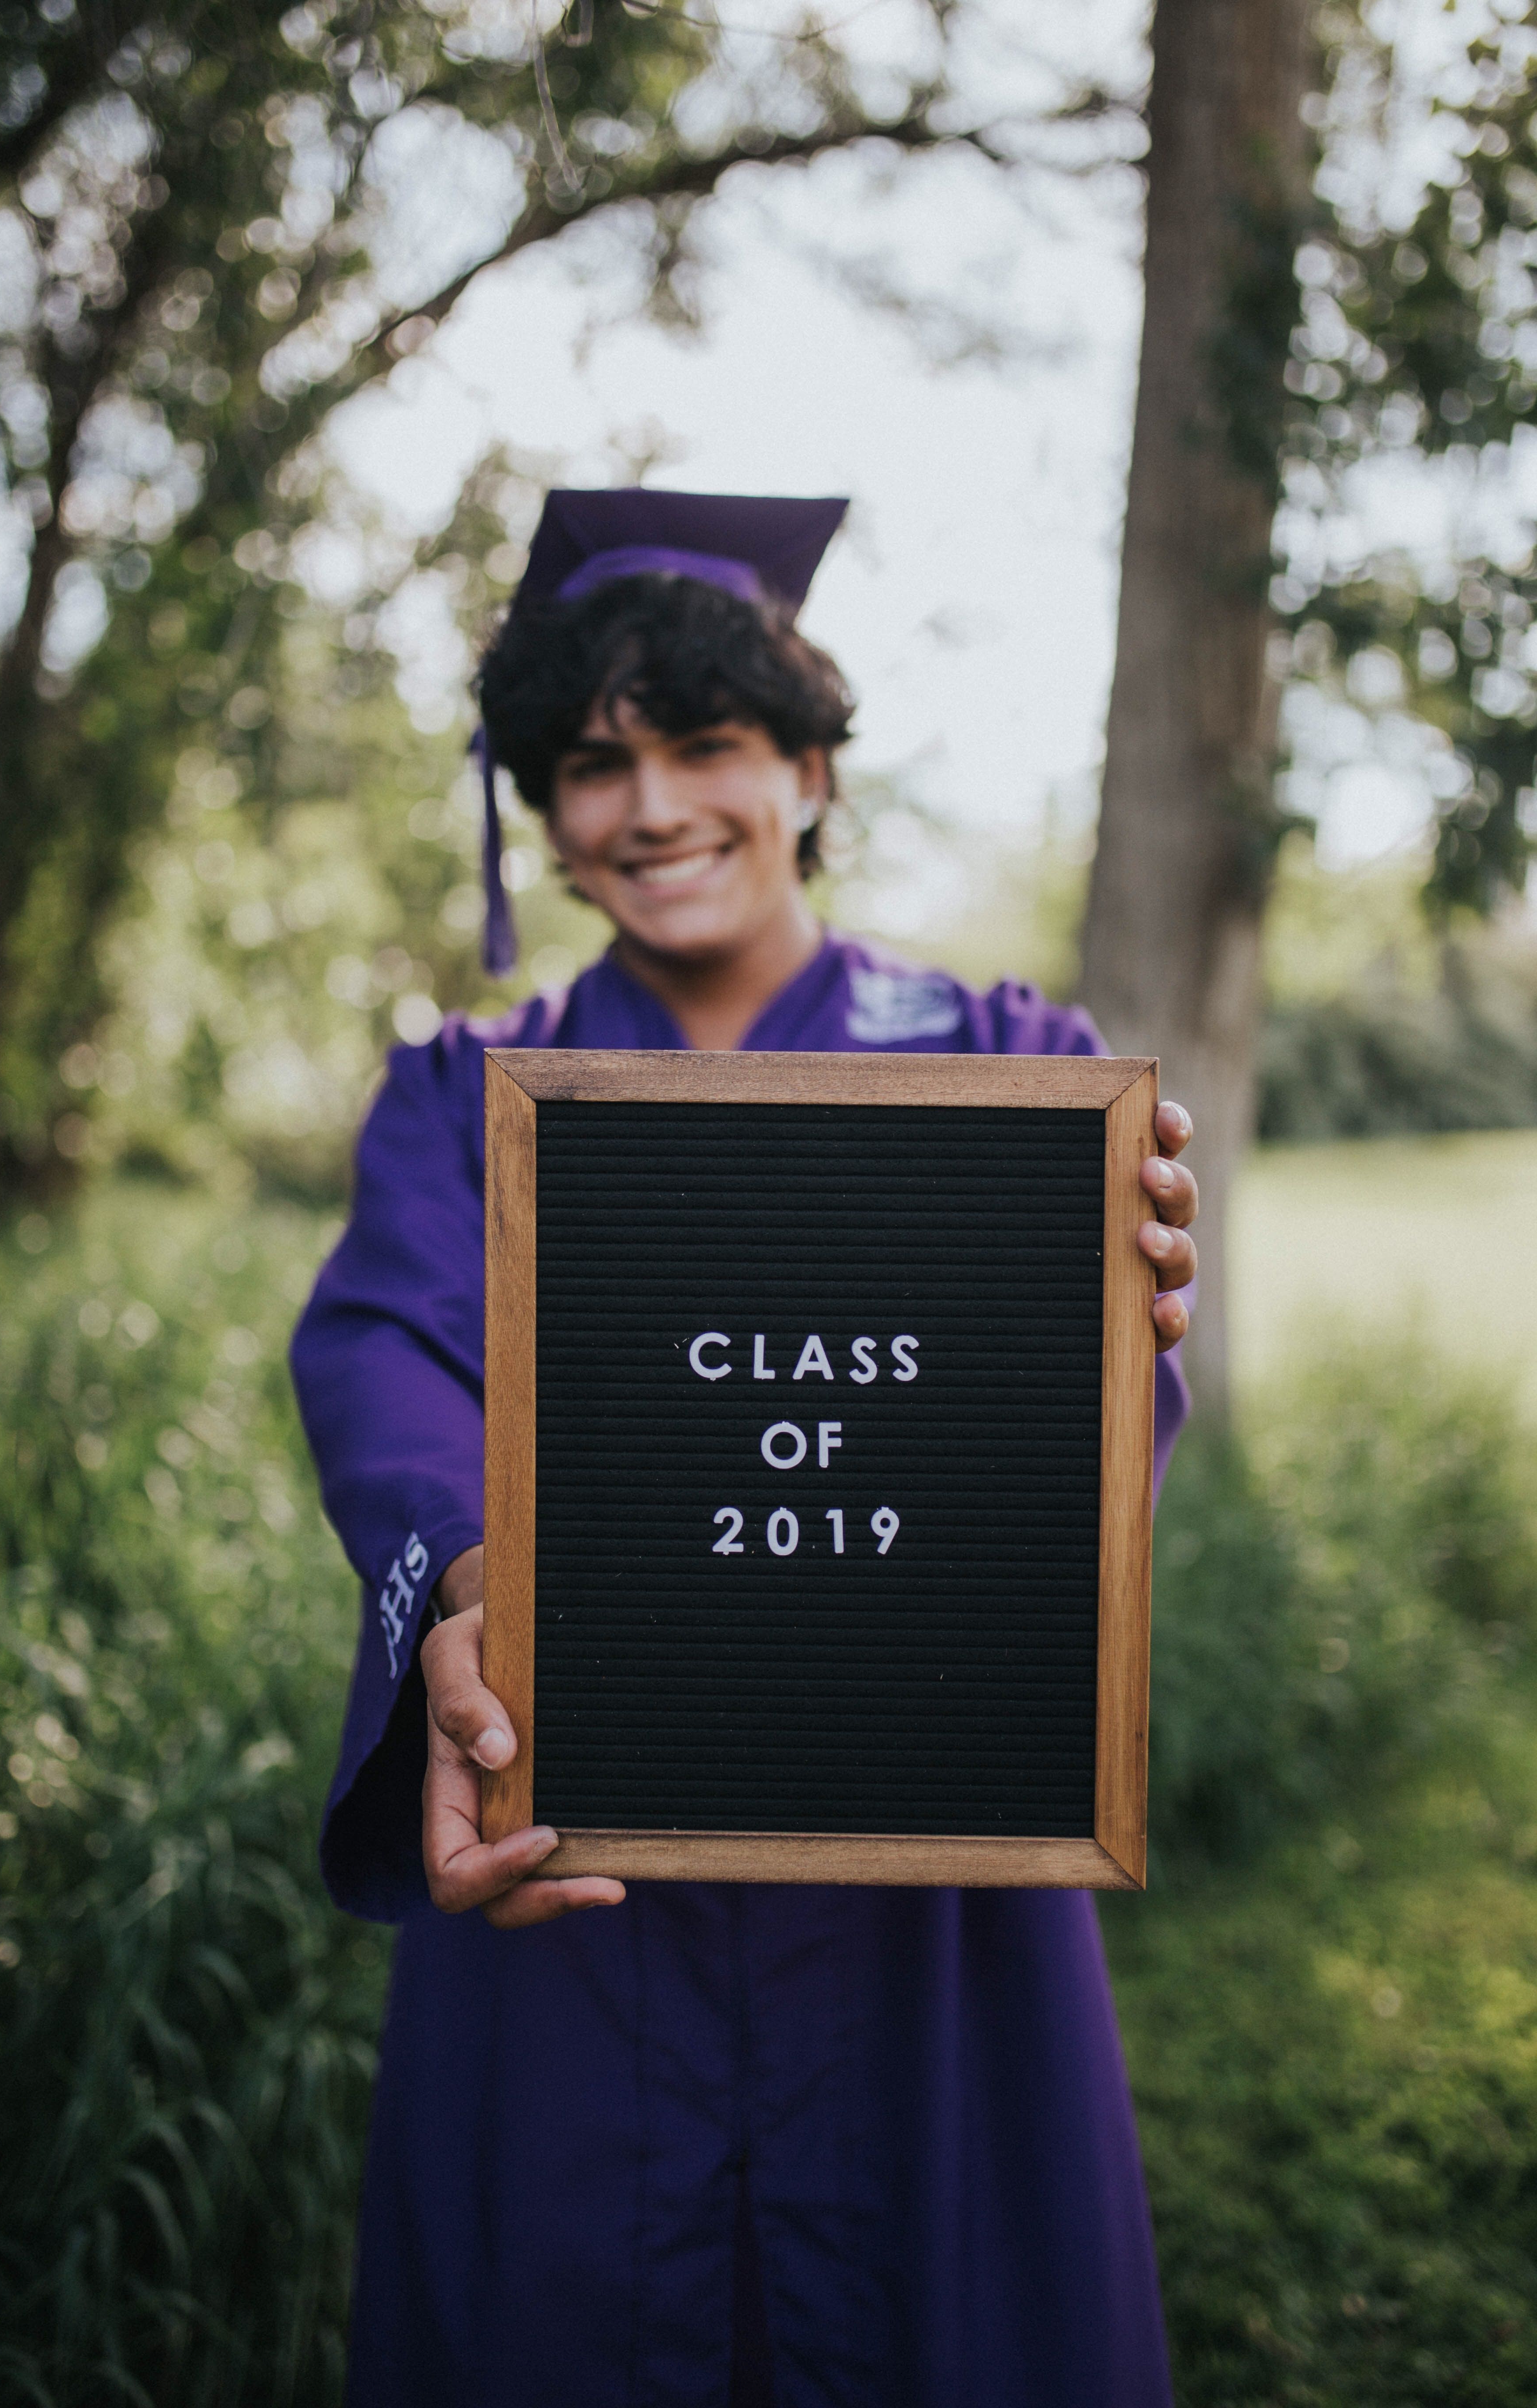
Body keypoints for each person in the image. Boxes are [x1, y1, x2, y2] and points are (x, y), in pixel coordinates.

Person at [291, 489, 1199, 2408]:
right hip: (568, 1847)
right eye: (592, 762)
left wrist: (1120, 1328)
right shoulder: (467, 1100)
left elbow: (1079, 1447)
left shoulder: (1007, 1066)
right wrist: (467, 1585)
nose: (649, 806)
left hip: (925, 1887)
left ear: (805, 768)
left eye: (705, 742)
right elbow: (385, 1360)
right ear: (544, 809)